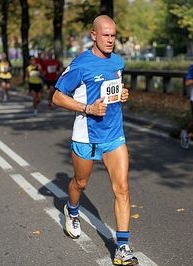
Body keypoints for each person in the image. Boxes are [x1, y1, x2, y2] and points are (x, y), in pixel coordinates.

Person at [52, 15, 139, 266]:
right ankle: (72, 209)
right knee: (80, 182)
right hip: (86, 136)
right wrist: (88, 108)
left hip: (113, 134)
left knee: (122, 188)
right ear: (94, 35)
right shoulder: (80, 64)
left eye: (113, 35)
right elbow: (58, 97)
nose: (110, 40)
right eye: (105, 35)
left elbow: (112, 89)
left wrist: (121, 93)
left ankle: (122, 247)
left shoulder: (118, 61)